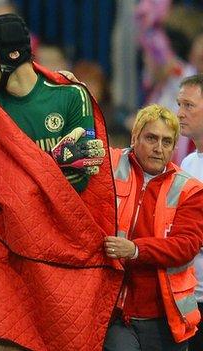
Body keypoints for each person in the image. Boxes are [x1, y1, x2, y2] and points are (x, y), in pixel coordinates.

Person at [0, 14, 122, 351]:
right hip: (7, 246)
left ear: (12, 55)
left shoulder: (71, 96)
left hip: (61, 243)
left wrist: (22, 185)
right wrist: (54, 162)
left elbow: (81, 178)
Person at [103, 104, 203, 350]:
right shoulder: (109, 166)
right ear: (134, 137)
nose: (159, 148)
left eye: (167, 142)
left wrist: (135, 250)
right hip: (116, 315)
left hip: (167, 319)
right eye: (151, 138)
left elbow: (186, 246)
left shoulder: (190, 189)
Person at [176, 75, 203, 349]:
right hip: (191, 297)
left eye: (188, 106)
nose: (179, 113)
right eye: (178, 104)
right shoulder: (187, 162)